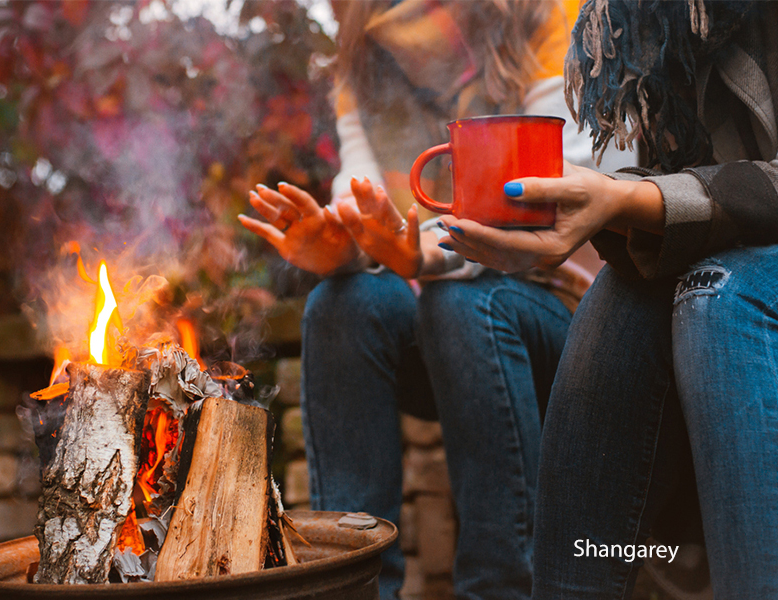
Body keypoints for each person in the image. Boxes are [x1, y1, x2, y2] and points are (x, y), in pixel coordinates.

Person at [238, 1, 633, 598]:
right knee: (341, 302)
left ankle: (504, 588)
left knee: (465, 303)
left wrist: (423, 256)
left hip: (572, 320)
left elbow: (566, 192)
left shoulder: (554, 18)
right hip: (444, 326)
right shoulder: (364, 55)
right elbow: (366, 205)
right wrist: (342, 249)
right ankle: (350, 584)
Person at [435, 0, 778, 596]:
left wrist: (623, 204)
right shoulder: (649, 20)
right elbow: (677, 179)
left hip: (732, 274)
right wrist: (606, 210)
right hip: (726, 239)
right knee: (617, 301)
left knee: (717, 297)